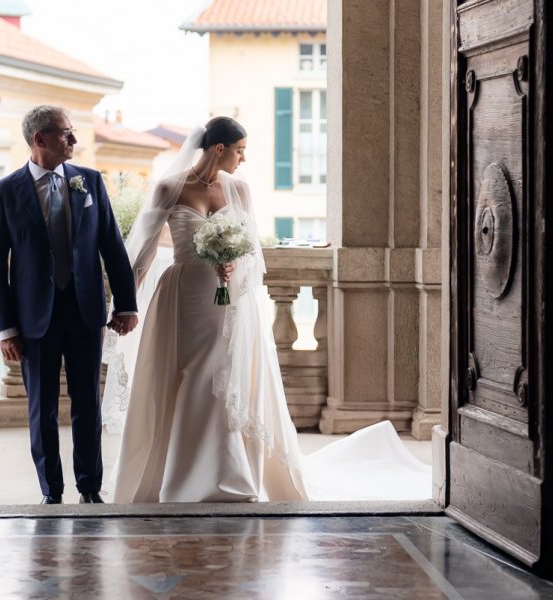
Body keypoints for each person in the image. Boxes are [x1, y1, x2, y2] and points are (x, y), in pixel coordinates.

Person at [103, 117, 432, 503]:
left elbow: (251, 253)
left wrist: (231, 263)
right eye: (240, 150)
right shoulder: (168, 188)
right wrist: (127, 304)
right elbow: (142, 252)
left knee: (221, 378)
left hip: (229, 304)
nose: (243, 159)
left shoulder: (239, 189)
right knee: (182, 376)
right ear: (219, 149)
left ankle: (226, 475)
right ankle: (176, 475)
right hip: (181, 297)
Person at [0, 105, 138, 505]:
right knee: (42, 409)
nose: (74, 140)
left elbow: (112, 247)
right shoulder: (4, 192)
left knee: (88, 405)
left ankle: (89, 488)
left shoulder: (89, 182)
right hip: (35, 319)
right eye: (66, 134)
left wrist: (125, 304)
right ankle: (51, 492)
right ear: (40, 140)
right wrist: (7, 329)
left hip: (85, 312)